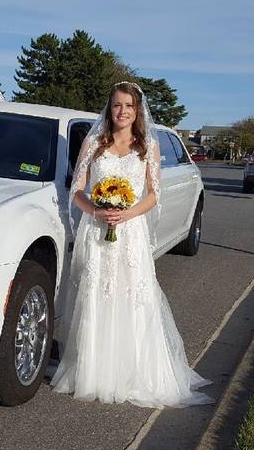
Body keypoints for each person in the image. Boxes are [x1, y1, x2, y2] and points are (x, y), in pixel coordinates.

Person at [51, 82, 213, 407]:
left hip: (131, 231)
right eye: (116, 105)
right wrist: (97, 210)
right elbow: (77, 189)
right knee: (97, 293)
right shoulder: (94, 143)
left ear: (137, 111)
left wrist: (126, 214)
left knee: (130, 295)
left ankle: (131, 371)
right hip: (97, 229)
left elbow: (154, 195)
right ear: (109, 109)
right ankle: (94, 371)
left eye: (128, 106)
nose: (122, 111)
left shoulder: (147, 146)